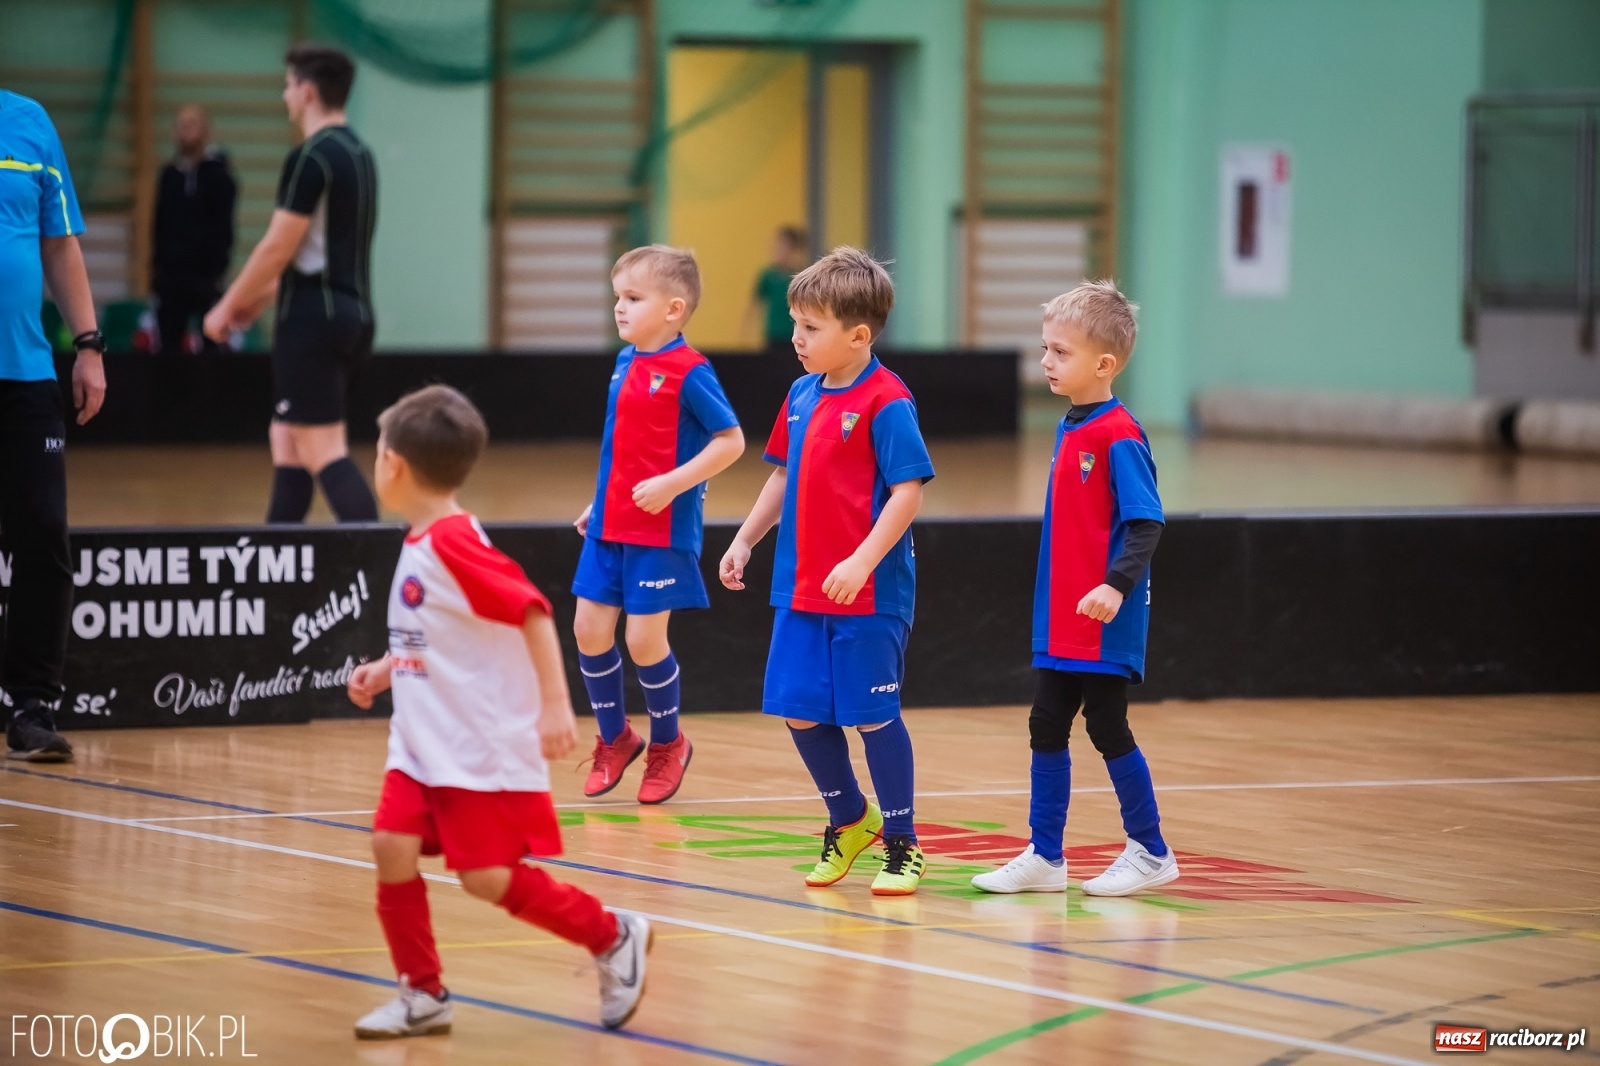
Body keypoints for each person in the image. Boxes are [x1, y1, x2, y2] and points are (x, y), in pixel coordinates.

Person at [345, 384, 651, 1037]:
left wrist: (554, 706)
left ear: (394, 466)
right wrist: (387, 665)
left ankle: (611, 934)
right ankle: (422, 992)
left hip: (475, 751)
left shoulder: (453, 543)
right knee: (390, 844)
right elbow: (436, 634)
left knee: (487, 878)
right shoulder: (426, 539)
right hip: (422, 745)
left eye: (376, 452)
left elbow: (533, 610)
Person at [719, 247, 935, 896]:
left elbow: (908, 493)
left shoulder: (887, 401)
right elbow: (783, 476)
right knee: (802, 713)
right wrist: (746, 539)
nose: (796, 338)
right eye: (795, 323)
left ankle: (902, 842)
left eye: (811, 328)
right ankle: (849, 820)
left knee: (872, 718)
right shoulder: (800, 393)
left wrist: (862, 560)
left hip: (870, 594)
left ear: (858, 336)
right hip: (802, 589)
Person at [970, 280, 1180, 897]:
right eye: (1046, 349)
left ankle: (1150, 850)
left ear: (1104, 364)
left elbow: (1146, 521)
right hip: (1064, 615)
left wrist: (1115, 588)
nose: (1046, 362)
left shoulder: (1118, 434)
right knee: (1046, 723)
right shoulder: (1071, 427)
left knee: (1107, 726)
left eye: (1060, 352)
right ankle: (1045, 854)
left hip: (1104, 614)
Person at [572, 245, 743, 804]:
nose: (619, 308)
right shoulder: (625, 362)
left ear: (673, 309)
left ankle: (669, 744)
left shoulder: (691, 371)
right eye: (617, 296)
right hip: (610, 525)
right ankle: (615, 738)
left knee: (644, 641)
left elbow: (731, 441)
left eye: (632, 297)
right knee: (588, 632)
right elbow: (623, 447)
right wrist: (600, 502)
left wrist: (672, 484)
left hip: (661, 532)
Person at [204, 43, 378, 524]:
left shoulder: (310, 156)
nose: (285, 96)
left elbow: (278, 248)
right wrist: (256, 299)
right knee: (288, 442)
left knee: (324, 449)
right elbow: (316, 253)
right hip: (353, 316)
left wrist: (225, 307)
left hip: (312, 324)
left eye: (287, 86)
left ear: (306, 91)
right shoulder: (360, 154)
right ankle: (280, 570)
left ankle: (380, 568)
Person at [1, 90, 106, 763]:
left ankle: (30, 705)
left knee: (43, 531)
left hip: (25, 374)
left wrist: (88, 343)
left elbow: (59, 243)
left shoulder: (29, 122)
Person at [152, 104, 235, 355]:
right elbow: (159, 225)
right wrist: (157, 270)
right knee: (168, 345)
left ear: (206, 131)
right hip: (171, 277)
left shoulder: (219, 177)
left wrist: (217, 269)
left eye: (193, 125)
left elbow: (224, 227)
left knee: (212, 343)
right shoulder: (168, 176)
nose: (186, 131)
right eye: (181, 125)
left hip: (206, 277)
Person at [745, 225, 809, 353]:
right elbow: (755, 304)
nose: (779, 251)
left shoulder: (801, 276)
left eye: (784, 247)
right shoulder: (767, 275)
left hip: (794, 334)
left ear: (794, 250)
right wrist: (746, 332)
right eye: (777, 247)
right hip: (773, 333)